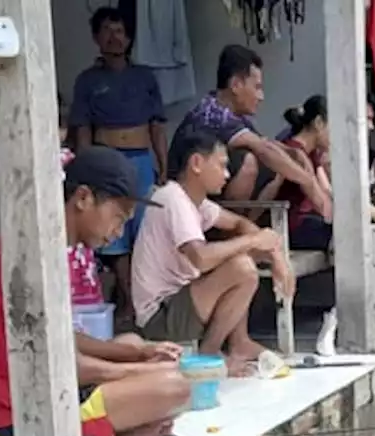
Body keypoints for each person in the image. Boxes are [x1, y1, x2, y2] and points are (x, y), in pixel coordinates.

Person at [0, 147, 189, 436]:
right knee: (173, 385)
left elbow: (60, 340)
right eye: (117, 218)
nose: (117, 232)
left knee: (133, 342)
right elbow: (55, 363)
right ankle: (115, 428)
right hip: (23, 420)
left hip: (37, 392)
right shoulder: (36, 256)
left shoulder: (47, 242)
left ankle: (119, 426)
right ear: (83, 198)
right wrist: (140, 370)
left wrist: (137, 353)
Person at [131, 130, 294, 363]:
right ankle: (209, 355)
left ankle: (239, 343)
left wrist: (276, 256)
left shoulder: (196, 202)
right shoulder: (173, 199)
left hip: (181, 303)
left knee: (243, 256)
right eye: (221, 165)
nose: (227, 175)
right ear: (197, 163)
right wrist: (253, 241)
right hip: (161, 316)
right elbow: (201, 258)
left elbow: (239, 223)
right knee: (241, 267)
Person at [70, 7, 167, 322]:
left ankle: (146, 301)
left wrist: (163, 166)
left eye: (120, 31)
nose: (115, 38)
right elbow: (82, 128)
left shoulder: (144, 77)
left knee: (143, 232)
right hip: (106, 161)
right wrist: (84, 164)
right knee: (115, 237)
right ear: (96, 38)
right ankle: (128, 300)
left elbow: (157, 126)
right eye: (107, 31)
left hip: (141, 160)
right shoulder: (87, 81)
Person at [172, 45, 331, 221]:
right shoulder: (216, 115)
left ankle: (244, 226)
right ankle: (233, 233)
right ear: (236, 85)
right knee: (250, 160)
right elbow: (264, 149)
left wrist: (297, 155)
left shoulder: (235, 116)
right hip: (185, 200)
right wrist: (307, 181)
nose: (261, 96)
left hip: (206, 199)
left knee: (279, 163)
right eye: (257, 87)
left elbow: (268, 144)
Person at [277, 95, 333, 251]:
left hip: (306, 221)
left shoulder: (311, 153)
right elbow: (321, 202)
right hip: (291, 227)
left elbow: (326, 190)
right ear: (319, 123)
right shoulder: (294, 153)